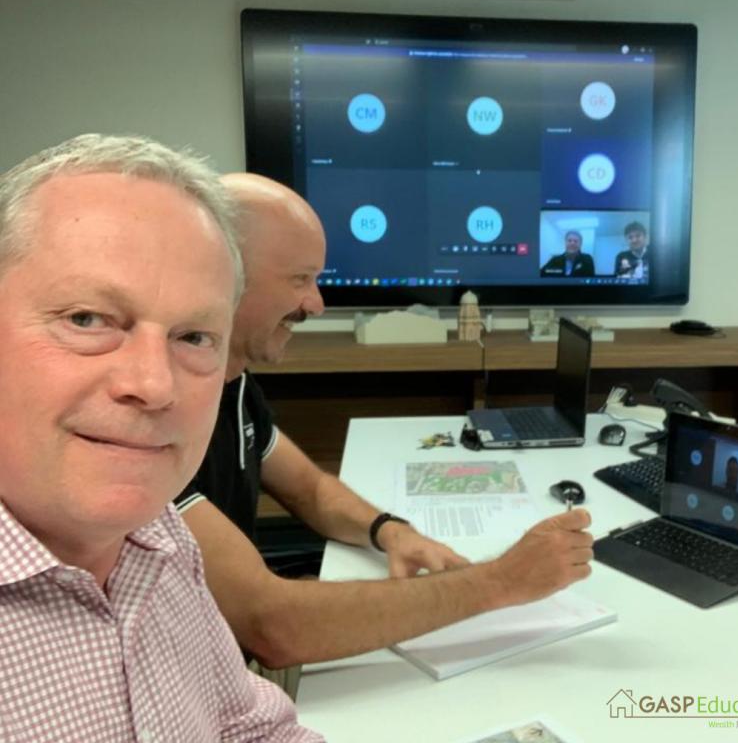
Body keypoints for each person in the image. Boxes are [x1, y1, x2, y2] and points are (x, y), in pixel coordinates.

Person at [177, 173, 594, 693]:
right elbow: (273, 624)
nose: (316, 304)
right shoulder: (153, 422)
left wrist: (390, 531)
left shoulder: (233, 384)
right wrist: (502, 581)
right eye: (300, 279)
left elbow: (309, 489)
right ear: (224, 276)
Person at [0, 136, 321, 743]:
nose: (154, 385)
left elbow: (247, 726)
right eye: (86, 319)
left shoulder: (160, 533)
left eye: (194, 337)